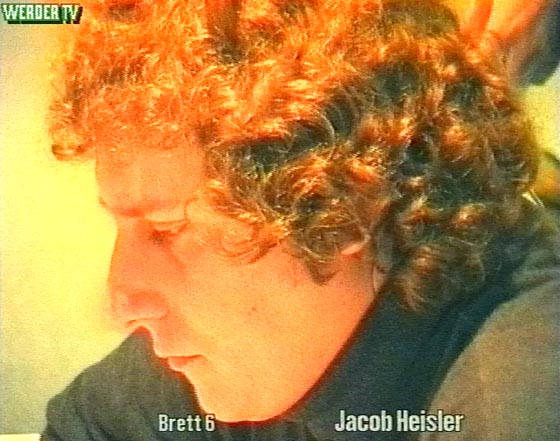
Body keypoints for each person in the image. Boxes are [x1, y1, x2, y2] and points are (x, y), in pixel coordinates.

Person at [42, 0, 559, 440]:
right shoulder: (267, 340)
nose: (122, 303)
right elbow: (88, 426)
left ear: (346, 208)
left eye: (168, 228)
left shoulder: (513, 406)